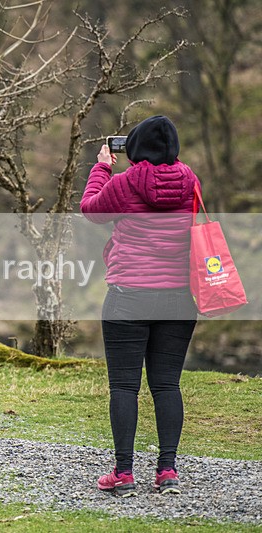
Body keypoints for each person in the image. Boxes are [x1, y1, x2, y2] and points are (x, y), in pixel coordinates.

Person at [80, 115, 201, 497]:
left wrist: (102, 168)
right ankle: (167, 471)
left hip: (128, 296)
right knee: (167, 385)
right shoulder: (190, 180)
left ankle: (124, 473)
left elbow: (91, 210)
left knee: (124, 387)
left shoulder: (126, 181)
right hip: (178, 298)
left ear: (135, 148)